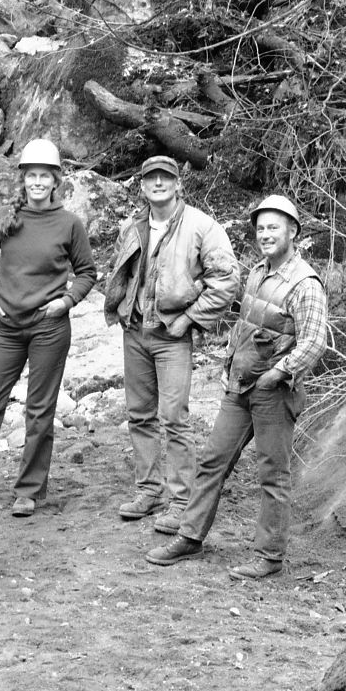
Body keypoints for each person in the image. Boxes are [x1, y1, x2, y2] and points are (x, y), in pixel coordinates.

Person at [151, 190, 330, 581]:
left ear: (292, 232)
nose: (266, 234)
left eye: (274, 227)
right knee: (213, 460)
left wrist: (277, 373)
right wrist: (229, 365)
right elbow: (244, 326)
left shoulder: (305, 283)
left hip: (274, 392)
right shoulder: (257, 271)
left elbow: (315, 341)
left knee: (273, 475)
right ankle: (189, 537)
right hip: (240, 388)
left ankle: (268, 556)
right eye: (261, 228)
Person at [103, 154, 240, 526]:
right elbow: (120, 271)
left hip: (172, 337)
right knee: (139, 415)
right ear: (143, 186)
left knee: (175, 418)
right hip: (135, 332)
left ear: (178, 184)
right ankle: (148, 490)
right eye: (151, 179)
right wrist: (117, 307)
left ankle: (181, 502)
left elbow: (227, 279)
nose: (158, 184)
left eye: (166, 178)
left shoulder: (201, 226)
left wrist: (191, 319)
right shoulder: (133, 227)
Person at [0, 136, 96, 518]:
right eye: (31, 175)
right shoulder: (6, 218)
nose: (38, 182)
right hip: (9, 326)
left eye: (45, 176)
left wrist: (66, 301)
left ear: (56, 180)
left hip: (49, 328)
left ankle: (29, 490)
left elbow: (87, 272)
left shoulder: (69, 224)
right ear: (22, 178)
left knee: (39, 410)